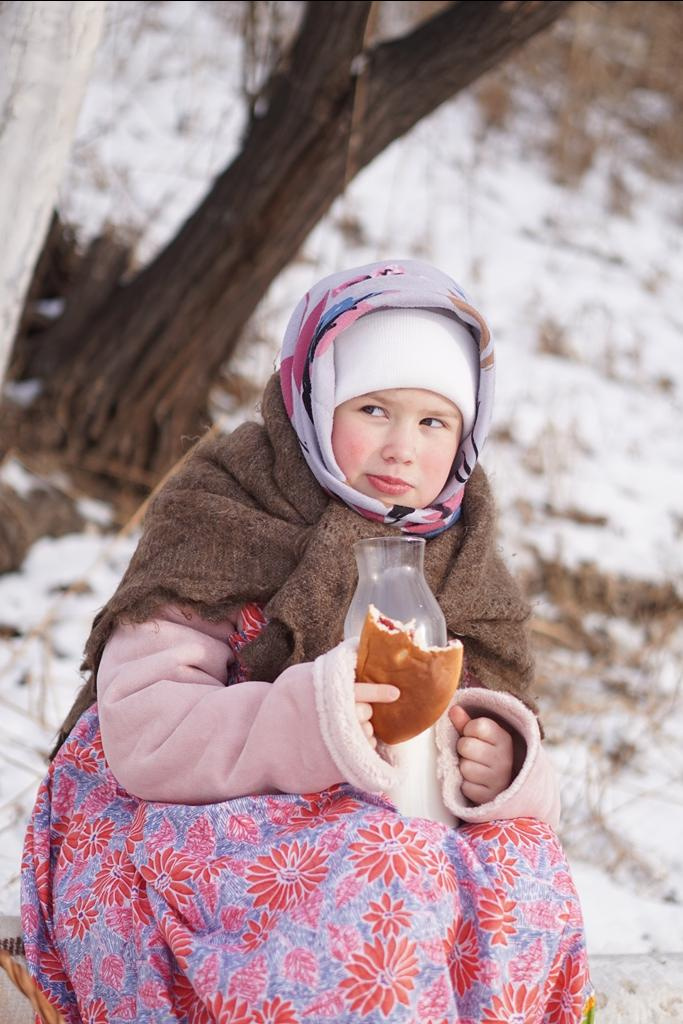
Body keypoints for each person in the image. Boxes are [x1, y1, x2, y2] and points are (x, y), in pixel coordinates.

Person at [21, 259, 594, 1023]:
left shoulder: (464, 555)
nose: (401, 449)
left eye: (433, 422)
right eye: (373, 410)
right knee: (385, 868)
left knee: (523, 868)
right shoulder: (227, 508)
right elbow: (145, 731)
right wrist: (314, 717)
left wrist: (501, 763)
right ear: (314, 399)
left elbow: (489, 717)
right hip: (194, 811)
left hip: (389, 825)